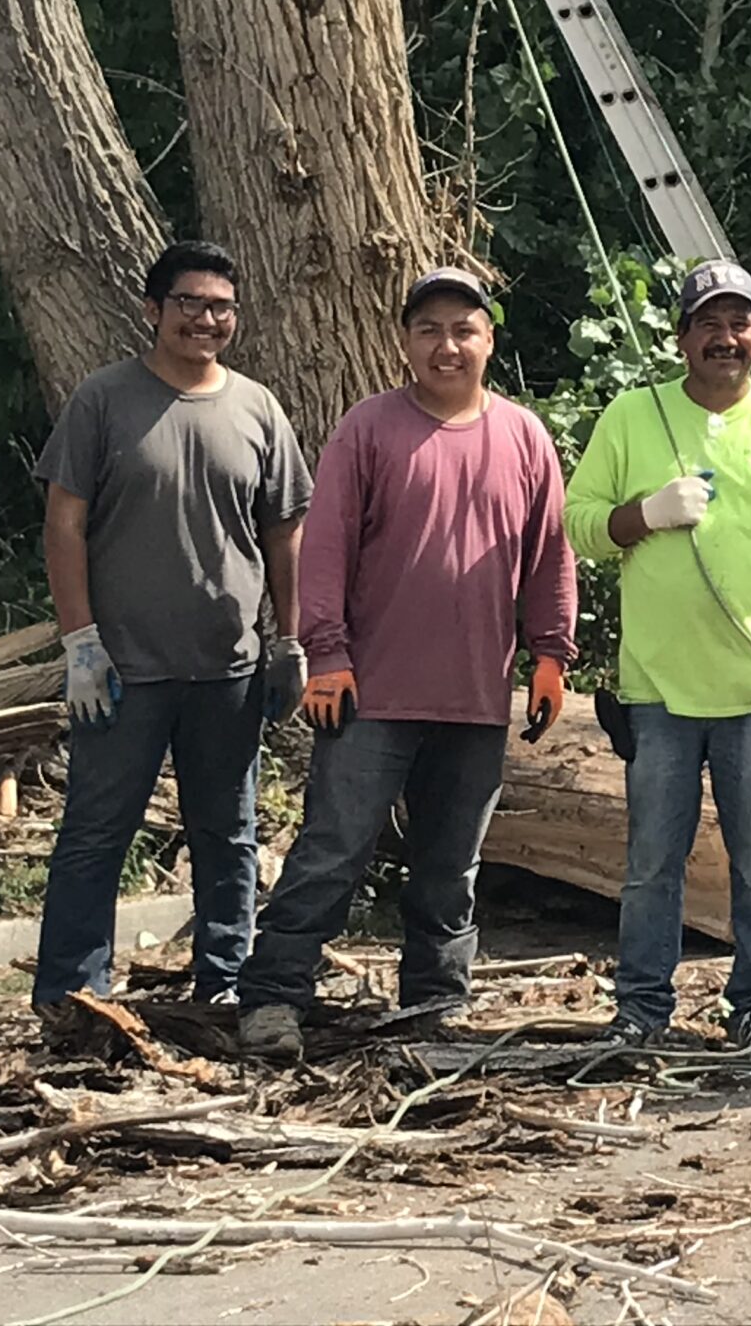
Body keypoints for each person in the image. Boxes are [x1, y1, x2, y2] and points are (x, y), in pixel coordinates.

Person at [237, 267, 578, 1063]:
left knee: (450, 866)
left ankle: (435, 1006)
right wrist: (326, 653)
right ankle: (275, 996)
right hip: (371, 693)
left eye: (464, 329)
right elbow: (324, 550)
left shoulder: (524, 437)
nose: (447, 345)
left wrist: (552, 654)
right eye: (429, 330)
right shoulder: (369, 429)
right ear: (405, 342)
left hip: (474, 695)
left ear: (489, 341)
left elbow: (549, 554)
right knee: (333, 851)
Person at [564, 260, 751, 1059]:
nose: (725, 339)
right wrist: (642, 514)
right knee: (653, 861)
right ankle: (642, 1010)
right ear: (682, 336)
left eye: (739, 323)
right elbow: (577, 522)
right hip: (657, 689)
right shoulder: (632, 416)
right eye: (708, 324)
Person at [34, 240, 311, 1017]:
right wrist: (79, 642)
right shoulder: (104, 400)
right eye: (189, 304)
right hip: (122, 671)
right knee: (96, 836)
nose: (205, 320)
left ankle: (223, 984)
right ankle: (70, 996)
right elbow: (64, 524)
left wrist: (289, 639)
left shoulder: (257, 408)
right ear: (153, 310)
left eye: (220, 307)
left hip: (227, 668)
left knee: (228, 838)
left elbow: (286, 530)